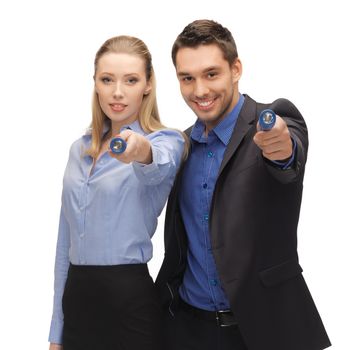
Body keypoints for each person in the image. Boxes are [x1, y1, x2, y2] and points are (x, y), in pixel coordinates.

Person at [155, 19, 331, 350]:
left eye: (211, 74)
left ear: (236, 69)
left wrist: (282, 147)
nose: (200, 91)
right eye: (187, 78)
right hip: (188, 331)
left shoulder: (271, 120)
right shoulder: (181, 146)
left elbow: (287, 156)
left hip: (265, 330)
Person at [48, 35, 185, 350]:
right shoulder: (78, 150)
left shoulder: (167, 141)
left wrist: (138, 148)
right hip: (77, 304)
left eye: (131, 80)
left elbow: (157, 165)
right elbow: (63, 245)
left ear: (148, 85)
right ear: (95, 83)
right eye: (107, 79)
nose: (118, 92)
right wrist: (57, 331)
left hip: (129, 305)